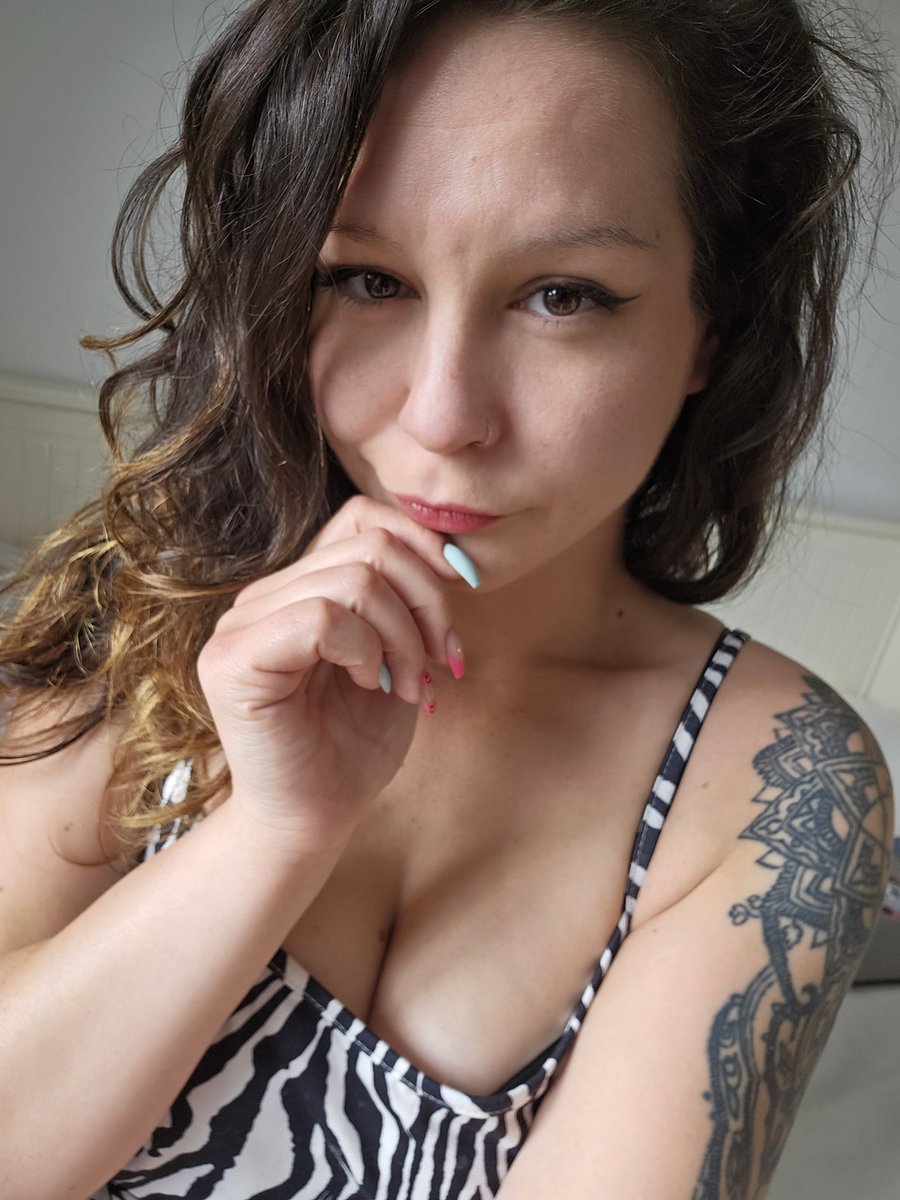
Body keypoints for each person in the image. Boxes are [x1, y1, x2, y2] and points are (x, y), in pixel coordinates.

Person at [0, 1, 895, 1197]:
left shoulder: (780, 783)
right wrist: (272, 833)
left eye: (564, 295)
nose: (441, 416)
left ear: (712, 332)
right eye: (368, 279)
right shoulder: (139, 604)